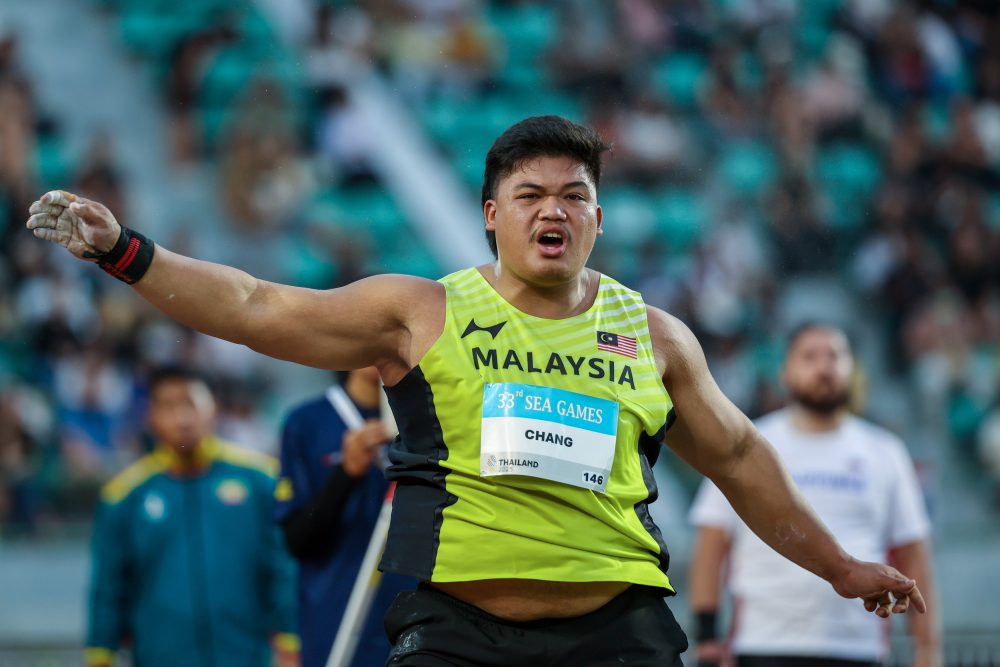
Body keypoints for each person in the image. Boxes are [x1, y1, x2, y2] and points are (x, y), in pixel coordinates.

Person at [31, 116, 926, 667]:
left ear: (598, 217)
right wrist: (125, 252)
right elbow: (257, 305)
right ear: (493, 215)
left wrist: (840, 566)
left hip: (619, 629)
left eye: (574, 195)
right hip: (457, 630)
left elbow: (737, 455)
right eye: (530, 194)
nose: (553, 209)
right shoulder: (421, 312)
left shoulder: (655, 336)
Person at [688, 323, 941, 667]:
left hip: (858, 646)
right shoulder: (752, 444)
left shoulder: (885, 451)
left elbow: (914, 555)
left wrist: (928, 649)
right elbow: (711, 544)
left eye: (835, 356)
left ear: (853, 369)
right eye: (809, 357)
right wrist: (706, 637)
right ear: (785, 371)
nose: (824, 367)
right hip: (763, 643)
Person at [84, 365, 299, 667]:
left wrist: (290, 641)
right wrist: (100, 653)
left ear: (215, 408)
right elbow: (108, 587)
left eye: (191, 403)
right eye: (168, 406)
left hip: (244, 655)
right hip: (160, 657)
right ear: (150, 415)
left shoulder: (261, 481)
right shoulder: (124, 496)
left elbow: (283, 569)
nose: (182, 418)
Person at [275, 366, 415, 667]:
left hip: (414, 617)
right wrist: (346, 473)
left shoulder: (424, 418)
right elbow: (297, 541)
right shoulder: (306, 422)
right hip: (335, 617)